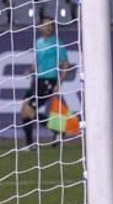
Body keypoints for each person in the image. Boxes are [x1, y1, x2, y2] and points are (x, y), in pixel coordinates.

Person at [18, 16, 73, 149]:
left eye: (50, 25)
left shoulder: (57, 43)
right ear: (40, 27)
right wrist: (31, 70)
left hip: (49, 81)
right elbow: (37, 61)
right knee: (24, 110)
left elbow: (65, 64)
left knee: (29, 110)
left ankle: (58, 129)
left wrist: (59, 83)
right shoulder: (38, 43)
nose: (47, 27)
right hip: (37, 81)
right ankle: (31, 144)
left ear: (53, 28)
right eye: (45, 25)